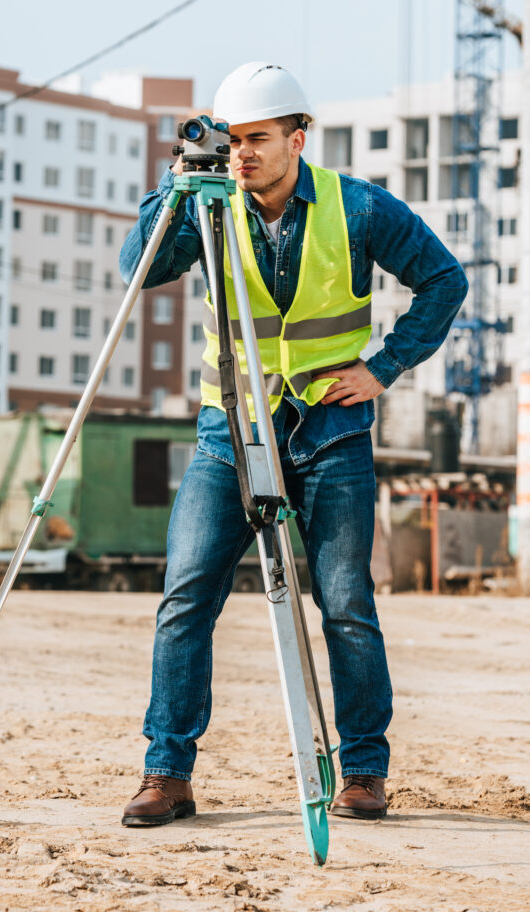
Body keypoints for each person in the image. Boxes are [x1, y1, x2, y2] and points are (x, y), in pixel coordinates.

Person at [118, 62, 468, 826]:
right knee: (185, 598)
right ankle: (165, 774)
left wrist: (382, 368)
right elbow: (136, 270)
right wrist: (175, 187)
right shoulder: (208, 206)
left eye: (256, 139)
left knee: (344, 603)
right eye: (231, 140)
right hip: (229, 429)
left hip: (329, 434)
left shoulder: (358, 207)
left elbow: (444, 280)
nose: (240, 154)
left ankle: (362, 773)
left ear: (296, 138)